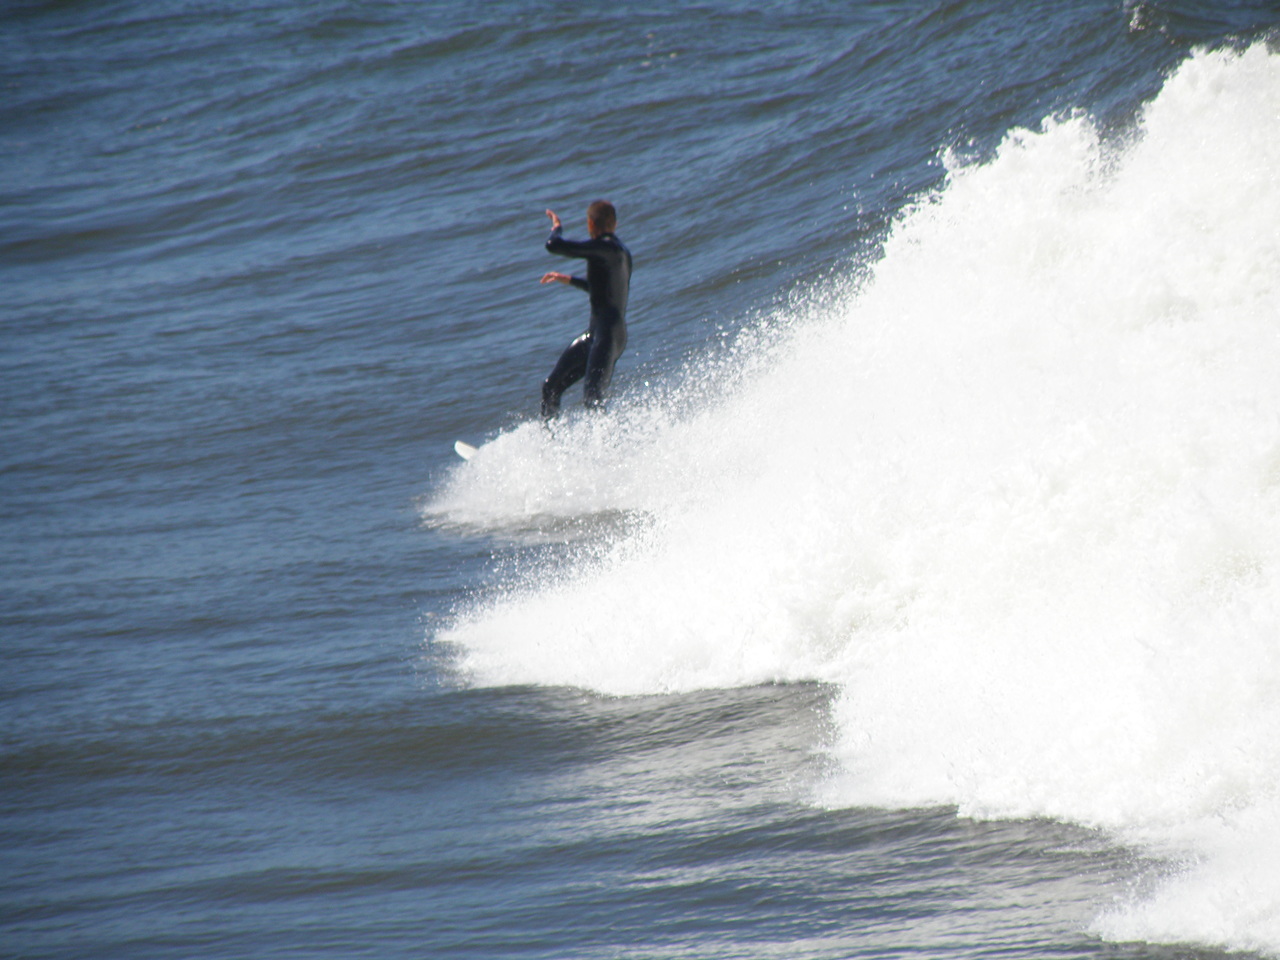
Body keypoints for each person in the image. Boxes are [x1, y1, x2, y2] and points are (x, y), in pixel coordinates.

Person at [538, 200, 632, 418]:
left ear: (590, 224)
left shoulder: (605, 247)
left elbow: (553, 245)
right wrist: (568, 279)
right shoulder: (619, 252)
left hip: (608, 337)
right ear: (615, 223)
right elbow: (602, 291)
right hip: (595, 335)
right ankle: (550, 445)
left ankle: (611, 448)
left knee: (593, 397)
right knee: (550, 386)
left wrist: (557, 227)